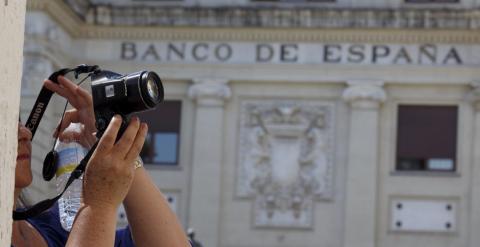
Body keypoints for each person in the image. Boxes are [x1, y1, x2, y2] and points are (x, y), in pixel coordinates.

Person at [12, 76, 190, 247]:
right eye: (6, 123)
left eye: (19, 121)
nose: (25, 134)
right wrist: (98, 203)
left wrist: (118, 147)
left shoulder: (53, 226)